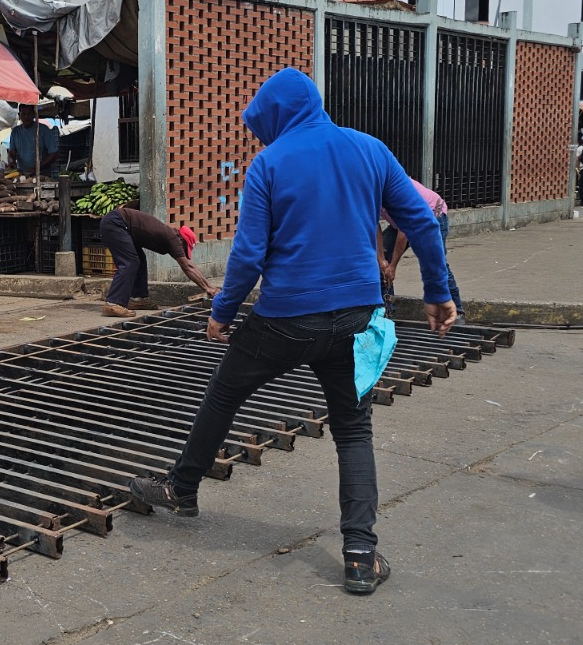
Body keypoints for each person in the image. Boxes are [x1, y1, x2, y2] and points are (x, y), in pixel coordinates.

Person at [127, 68, 455, 596]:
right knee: (353, 430)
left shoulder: (270, 164)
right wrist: (439, 292)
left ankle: (180, 489)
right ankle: (359, 555)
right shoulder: (370, 150)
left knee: (224, 395)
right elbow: (420, 220)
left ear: (276, 115)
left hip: (284, 320)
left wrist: (223, 310)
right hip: (354, 319)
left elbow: (250, 254)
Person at [97, 205, 217, 317]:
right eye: (185, 249)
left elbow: (188, 265)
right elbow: (188, 266)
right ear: (183, 241)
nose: (183, 252)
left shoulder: (172, 237)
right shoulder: (174, 239)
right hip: (116, 223)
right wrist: (209, 288)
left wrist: (209, 286)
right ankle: (113, 303)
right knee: (130, 262)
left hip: (122, 225)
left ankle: (136, 299)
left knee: (139, 260)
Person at [378, 178, 463, 320]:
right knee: (379, 265)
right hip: (400, 223)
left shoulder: (396, 188)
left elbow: (404, 232)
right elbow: (374, 227)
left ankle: (458, 313)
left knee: (435, 264)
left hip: (432, 214)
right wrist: (381, 260)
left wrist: (393, 266)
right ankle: (388, 313)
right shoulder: (367, 192)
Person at [7, 105, 59, 176]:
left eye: (29, 114)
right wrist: (12, 162)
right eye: (24, 114)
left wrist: (37, 168)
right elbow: (12, 152)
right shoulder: (15, 132)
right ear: (19, 115)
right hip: (23, 175)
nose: (27, 117)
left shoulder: (44, 130)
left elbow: (54, 154)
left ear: (34, 114)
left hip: (42, 175)